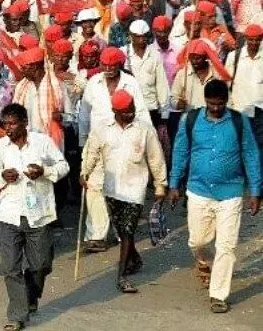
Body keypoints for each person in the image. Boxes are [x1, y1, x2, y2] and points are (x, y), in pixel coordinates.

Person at [168, 79, 262, 314]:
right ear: (205, 100)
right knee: (198, 241)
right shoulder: (190, 120)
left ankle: (218, 295)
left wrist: (256, 191)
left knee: (226, 246)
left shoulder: (239, 122)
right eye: (211, 104)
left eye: (220, 104)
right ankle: (204, 264)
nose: (216, 108)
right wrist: (173, 184)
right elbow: (180, 151)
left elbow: (251, 155)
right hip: (198, 190)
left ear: (226, 101)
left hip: (231, 193)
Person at [81, 89, 168, 294]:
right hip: (111, 188)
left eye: (132, 109)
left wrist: (160, 185)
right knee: (121, 230)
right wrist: (84, 172)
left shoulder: (145, 129)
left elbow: (156, 158)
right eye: (126, 111)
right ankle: (134, 258)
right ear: (115, 111)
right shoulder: (102, 130)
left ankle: (121, 276)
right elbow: (92, 153)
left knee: (128, 231)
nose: (131, 114)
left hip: (135, 189)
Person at [0, 103, 68, 331]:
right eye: (5, 125)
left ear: (25, 123)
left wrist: (44, 172)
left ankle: (31, 295)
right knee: (10, 268)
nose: (9, 129)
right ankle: (17, 315)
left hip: (39, 214)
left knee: (41, 264)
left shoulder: (42, 142)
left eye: (13, 124)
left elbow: (63, 166)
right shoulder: (0, 147)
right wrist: (3, 176)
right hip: (9, 214)